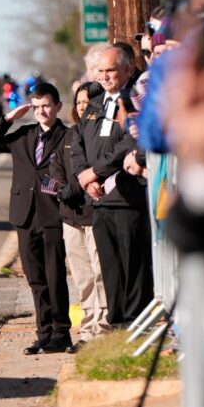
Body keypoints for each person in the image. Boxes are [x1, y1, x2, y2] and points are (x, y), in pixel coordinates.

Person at [0, 83, 72, 355]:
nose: (42, 111)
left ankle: (61, 332)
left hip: (53, 213)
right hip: (25, 214)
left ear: (57, 107)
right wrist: (10, 118)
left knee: (55, 275)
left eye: (46, 105)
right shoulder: (23, 134)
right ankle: (43, 333)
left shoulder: (67, 137)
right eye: (37, 106)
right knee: (35, 277)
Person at [70, 47, 153, 327]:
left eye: (111, 70)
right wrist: (85, 176)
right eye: (101, 71)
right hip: (99, 201)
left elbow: (129, 144)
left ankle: (135, 324)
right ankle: (116, 324)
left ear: (128, 70)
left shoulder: (135, 102)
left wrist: (97, 171)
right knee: (111, 268)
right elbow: (77, 143)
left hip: (128, 198)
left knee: (134, 267)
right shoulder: (94, 105)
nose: (105, 76)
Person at [50, 81, 109, 353]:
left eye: (88, 101)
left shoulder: (106, 132)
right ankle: (86, 330)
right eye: (79, 102)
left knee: (100, 276)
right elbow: (57, 170)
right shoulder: (69, 135)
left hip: (96, 213)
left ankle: (103, 329)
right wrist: (63, 189)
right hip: (71, 217)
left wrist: (76, 186)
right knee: (83, 278)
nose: (83, 107)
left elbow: (100, 168)